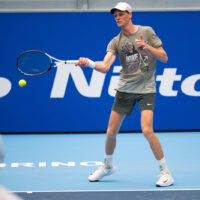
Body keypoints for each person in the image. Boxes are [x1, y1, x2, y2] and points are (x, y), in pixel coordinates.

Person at [76, 2, 174, 187]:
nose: (117, 18)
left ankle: (165, 172)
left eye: (121, 14)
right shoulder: (115, 41)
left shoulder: (147, 31)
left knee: (146, 130)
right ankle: (107, 166)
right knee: (111, 131)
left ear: (130, 14)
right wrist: (88, 62)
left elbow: (164, 57)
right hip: (125, 89)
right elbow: (105, 67)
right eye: (115, 16)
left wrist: (148, 48)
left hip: (146, 89)